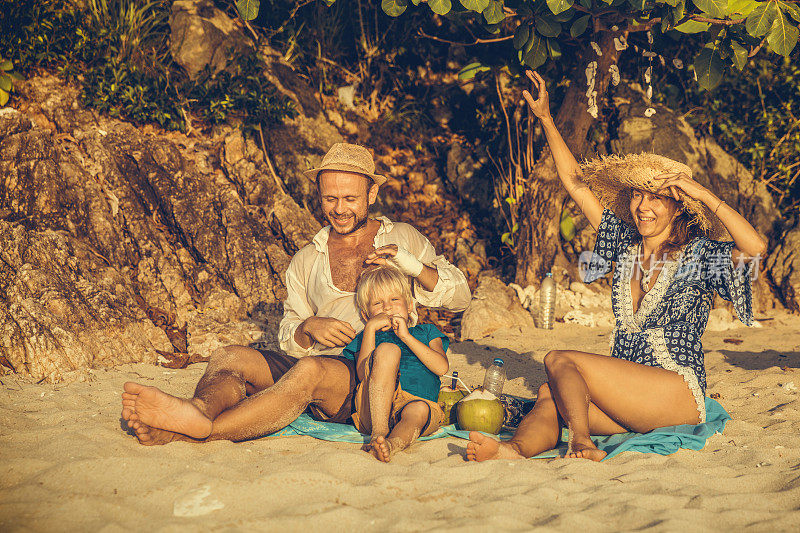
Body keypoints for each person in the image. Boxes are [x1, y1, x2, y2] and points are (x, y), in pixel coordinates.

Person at [467, 71, 767, 462]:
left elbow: (755, 247)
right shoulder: (625, 246)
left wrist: (701, 192)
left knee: (559, 359)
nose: (644, 207)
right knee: (550, 393)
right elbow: (576, 184)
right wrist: (545, 119)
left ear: (679, 206)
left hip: (675, 392)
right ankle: (514, 450)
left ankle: (581, 442)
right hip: (631, 392)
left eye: (657, 198)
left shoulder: (698, 254)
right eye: (638, 196)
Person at [121, 143, 471, 444]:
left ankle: (197, 434)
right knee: (230, 356)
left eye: (350, 198)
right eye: (330, 198)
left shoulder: (404, 238)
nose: (340, 208)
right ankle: (197, 411)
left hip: (367, 372)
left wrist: (409, 264)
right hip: (317, 360)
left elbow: (460, 298)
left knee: (308, 371)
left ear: (372, 195)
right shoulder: (307, 258)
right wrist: (308, 327)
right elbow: (289, 333)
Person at [344, 265, 450, 462]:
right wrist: (369, 329)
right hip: (374, 409)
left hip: (417, 404)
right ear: (366, 315)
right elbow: (361, 375)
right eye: (378, 303)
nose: (387, 307)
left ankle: (390, 445)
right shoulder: (367, 337)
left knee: (417, 410)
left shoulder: (426, 332)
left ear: (409, 305)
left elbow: (441, 367)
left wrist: (406, 336)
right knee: (388, 350)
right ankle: (379, 433)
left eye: (394, 300)